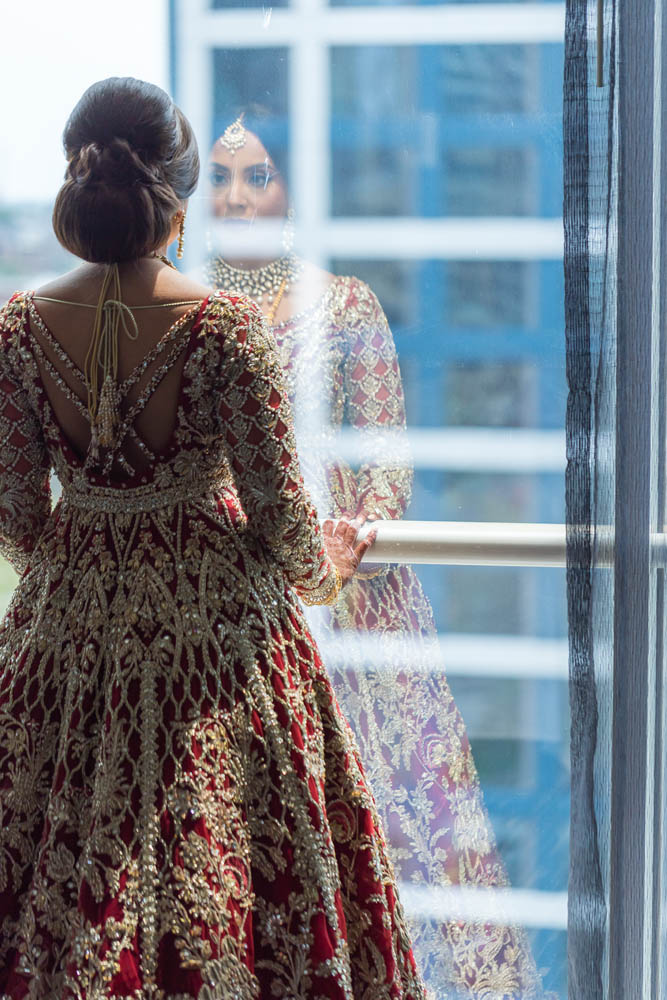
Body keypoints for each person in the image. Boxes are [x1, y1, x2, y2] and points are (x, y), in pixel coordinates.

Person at [0, 78, 428, 1000]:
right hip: (222, 646)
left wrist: (89, 562)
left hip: (64, 637)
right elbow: (281, 525)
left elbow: (18, 522)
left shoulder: (18, 329)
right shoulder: (227, 328)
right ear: (180, 199)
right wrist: (332, 568)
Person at [205, 107, 551, 1000]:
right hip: (228, 604)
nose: (239, 196)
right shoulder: (185, 315)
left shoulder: (344, 305)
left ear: (293, 187)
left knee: (385, 830)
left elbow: (386, 460)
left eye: (258, 174)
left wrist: (343, 540)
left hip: (348, 608)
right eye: (221, 177)